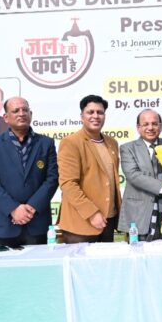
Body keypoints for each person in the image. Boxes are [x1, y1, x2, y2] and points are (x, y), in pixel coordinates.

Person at [0, 97, 58, 246]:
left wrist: (32, 207)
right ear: (6, 117)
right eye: (16, 111)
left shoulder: (46, 143)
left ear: (31, 114)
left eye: (25, 110)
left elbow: (52, 179)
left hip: (37, 223)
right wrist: (13, 209)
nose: (21, 113)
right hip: (4, 224)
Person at [58, 95, 121, 243]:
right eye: (90, 112)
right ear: (82, 116)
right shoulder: (71, 143)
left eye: (100, 112)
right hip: (81, 223)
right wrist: (92, 213)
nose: (96, 116)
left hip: (108, 221)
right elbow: (68, 184)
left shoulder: (112, 143)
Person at [117, 109, 162, 241]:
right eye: (146, 124)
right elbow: (133, 175)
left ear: (161, 126)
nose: (150, 128)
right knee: (139, 252)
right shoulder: (127, 148)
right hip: (139, 213)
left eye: (155, 124)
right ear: (138, 127)